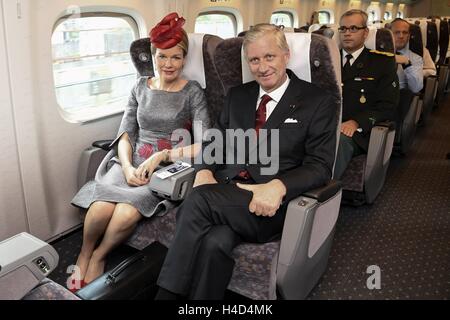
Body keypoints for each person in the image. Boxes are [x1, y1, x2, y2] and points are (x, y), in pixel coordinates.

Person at [155, 24, 337, 300]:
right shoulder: (238, 95)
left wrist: (279, 185)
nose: (262, 67)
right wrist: (204, 170)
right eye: (254, 59)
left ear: (286, 56)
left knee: (198, 201)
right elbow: (213, 141)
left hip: (269, 204)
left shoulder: (316, 100)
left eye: (269, 57)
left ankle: (165, 296)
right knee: (216, 242)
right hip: (227, 192)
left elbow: (320, 166)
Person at [69, 12, 211, 287]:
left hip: (168, 167)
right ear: (153, 57)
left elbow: (204, 142)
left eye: (176, 56)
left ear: (184, 59)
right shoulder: (139, 87)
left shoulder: (192, 92)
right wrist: (127, 166)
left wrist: (163, 155)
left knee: (126, 212)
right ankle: (83, 254)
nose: (168, 64)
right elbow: (125, 134)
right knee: (99, 208)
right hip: (130, 160)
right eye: (162, 56)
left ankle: (99, 255)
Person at [334, 9, 399, 180]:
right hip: (323, 124)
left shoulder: (382, 63)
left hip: (357, 132)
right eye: (343, 29)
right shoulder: (326, 61)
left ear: (365, 33)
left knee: (338, 142)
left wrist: (356, 122)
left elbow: (387, 106)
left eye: (354, 28)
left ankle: (320, 194)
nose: (347, 33)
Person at [390, 18, 424, 94]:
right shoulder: (379, 55)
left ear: (409, 36)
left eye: (405, 32)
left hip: (399, 99)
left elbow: (416, 88)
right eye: (397, 32)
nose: (401, 36)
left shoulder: (416, 58)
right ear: (389, 34)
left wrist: (407, 64)